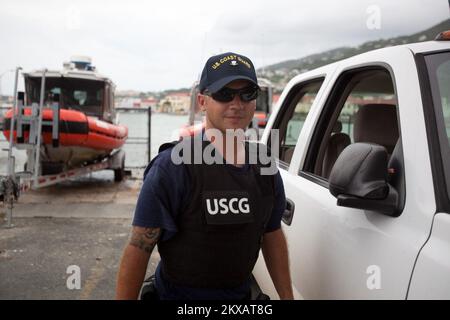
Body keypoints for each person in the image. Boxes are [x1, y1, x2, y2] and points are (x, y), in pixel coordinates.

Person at [116, 52, 294, 300]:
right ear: (202, 101)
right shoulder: (172, 168)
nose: (237, 103)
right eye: (224, 94)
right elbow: (139, 247)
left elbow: (271, 234)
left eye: (247, 94)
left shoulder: (264, 166)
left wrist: (288, 297)